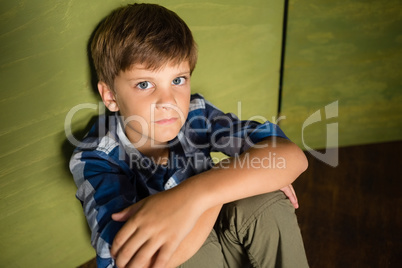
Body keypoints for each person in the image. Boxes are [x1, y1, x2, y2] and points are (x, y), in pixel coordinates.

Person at [70, 3, 309, 268]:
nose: (168, 101)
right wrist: (225, 185)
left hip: (230, 246)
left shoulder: (196, 115)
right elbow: (128, 263)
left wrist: (196, 197)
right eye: (145, 84)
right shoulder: (99, 156)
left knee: (264, 198)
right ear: (111, 96)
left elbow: (291, 156)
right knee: (176, 241)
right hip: (190, 259)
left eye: (178, 80)